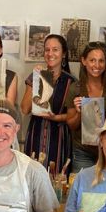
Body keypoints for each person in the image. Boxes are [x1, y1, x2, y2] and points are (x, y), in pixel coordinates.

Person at [22, 34, 76, 173]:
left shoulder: (71, 82)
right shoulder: (36, 75)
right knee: (32, 177)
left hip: (59, 138)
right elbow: (25, 108)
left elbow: (72, 116)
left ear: (63, 53)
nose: (50, 53)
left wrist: (56, 117)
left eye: (55, 49)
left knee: (56, 179)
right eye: (47, 50)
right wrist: (35, 79)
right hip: (36, 134)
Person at [65, 42, 106, 172]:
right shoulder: (75, 88)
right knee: (82, 187)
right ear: (84, 61)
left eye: (101, 61)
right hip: (83, 150)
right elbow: (71, 125)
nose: (97, 65)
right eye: (92, 60)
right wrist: (79, 113)